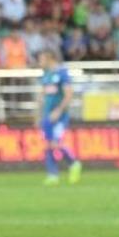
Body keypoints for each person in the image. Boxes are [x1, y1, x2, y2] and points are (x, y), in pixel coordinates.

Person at [34, 49, 82, 185]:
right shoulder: (46, 75)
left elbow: (68, 94)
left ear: (50, 58)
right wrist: (38, 115)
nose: (39, 62)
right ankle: (52, 175)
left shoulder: (62, 73)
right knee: (48, 144)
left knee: (56, 143)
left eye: (41, 59)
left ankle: (73, 163)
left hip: (59, 116)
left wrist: (59, 111)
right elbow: (42, 96)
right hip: (47, 115)